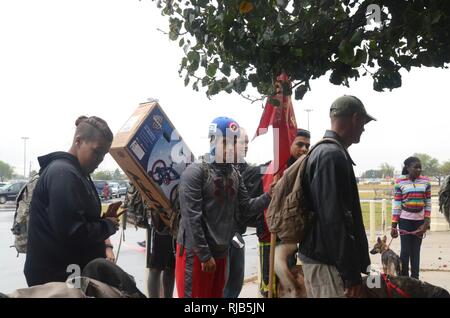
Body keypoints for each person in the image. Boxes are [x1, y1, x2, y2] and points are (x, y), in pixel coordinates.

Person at [175, 117, 273, 298]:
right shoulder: (196, 171)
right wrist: (204, 255)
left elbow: (247, 207)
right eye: (226, 141)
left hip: (221, 252)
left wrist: (270, 195)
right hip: (196, 255)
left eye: (235, 141)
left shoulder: (234, 173)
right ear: (213, 140)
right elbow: (191, 218)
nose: (232, 146)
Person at [24, 116, 119, 287]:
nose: (100, 159)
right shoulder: (64, 173)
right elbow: (73, 232)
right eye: (97, 152)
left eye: (104, 155)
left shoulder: (78, 172)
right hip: (58, 280)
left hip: (70, 275)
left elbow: (76, 219)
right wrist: (107, 226)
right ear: (78, 141)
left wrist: (102, 220)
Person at [298, 95, 375, 298]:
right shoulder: (331, 155)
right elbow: (333, 220)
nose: (364, 129)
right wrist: (350, 275)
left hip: (327, 261)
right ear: (355, 118)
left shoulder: (328, 151)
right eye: (364, 123)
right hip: (327, 264)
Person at [257, 128, 311, 297]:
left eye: (307, 146)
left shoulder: (302, 167)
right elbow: (270, 206)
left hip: (290, 236)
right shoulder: (276, 167)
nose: (304, 149)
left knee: (288, 284)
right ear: (289, 144)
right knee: (270, 285)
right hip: (271, 234)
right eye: (299, 144)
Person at [390, 156, 431, 279]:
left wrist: (426, 223)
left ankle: (415, 279)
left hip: (419, 221)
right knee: (405, 251)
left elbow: (428, 203)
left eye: (420, 168)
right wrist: (394, 226)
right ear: (408, 168)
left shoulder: (426, 182)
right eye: (415, 167)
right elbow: (397, 204)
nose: (418, 170)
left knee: (416, 251)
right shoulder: (400, 183)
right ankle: (404, 278)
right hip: (405, 220)